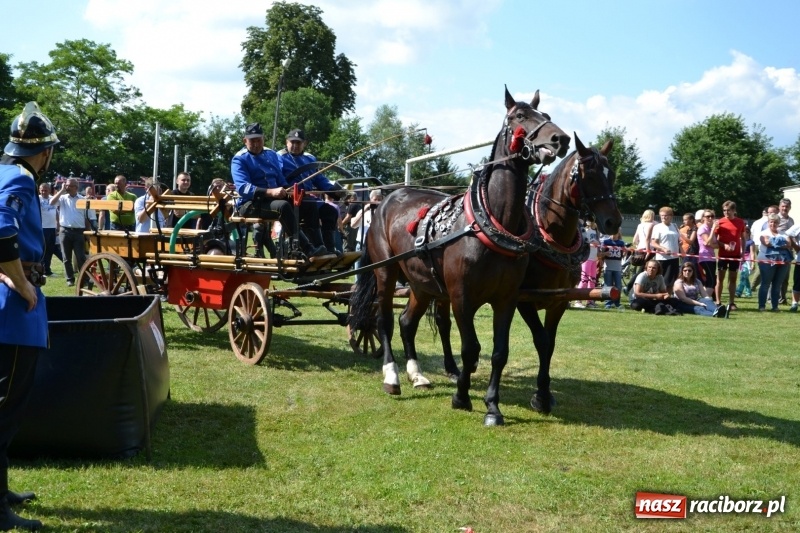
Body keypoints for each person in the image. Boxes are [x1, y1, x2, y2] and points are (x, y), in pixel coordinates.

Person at [0, 101, 58, 531]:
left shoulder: (5, 173)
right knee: (3, 410)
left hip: (12, 307)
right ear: (44, 153)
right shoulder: (19, 179)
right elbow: (1, 230)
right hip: (13, 313)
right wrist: (19, 282)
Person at [231, 123, 326, 259]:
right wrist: (270, 192)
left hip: (273, 200)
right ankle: (307, 249)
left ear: (263, 139)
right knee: (282, 207)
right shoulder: (239, 159)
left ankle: (320, 247)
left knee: (309, 203)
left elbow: (281, 179)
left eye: (259, 140)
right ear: (245, 141)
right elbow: (243, 187)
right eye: (252, 141)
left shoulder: (271, 154)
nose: (256, 144)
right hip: (250, 204)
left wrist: (290, 190)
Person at [279, 129, 343, 255]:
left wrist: (332, 190)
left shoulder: (309, 159)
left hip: (308, 200)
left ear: (304, 143)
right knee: (311, 205)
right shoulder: (279, 157)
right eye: (293, 142)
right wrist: (286, 188)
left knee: (331, 211)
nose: (295, 145)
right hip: (291, 200)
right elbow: (277, 177)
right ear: (287, 142)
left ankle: (329, 249)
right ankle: (317, 247)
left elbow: (319, 178)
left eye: (299, 143)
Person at [50, 177, 89, 287]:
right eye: (66, 185)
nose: (67, 187)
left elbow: (87, 219)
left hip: (79, 232)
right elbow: (51, 203)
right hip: (65, 231)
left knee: (81, 257)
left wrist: (88, 234)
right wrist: (61, 190)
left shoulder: (82, 199)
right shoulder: (62, 198)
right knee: (66, 258)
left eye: (69, 185)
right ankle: (70, 279)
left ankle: (84, 279)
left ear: (76, 187)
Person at [756, 213, 793, 312]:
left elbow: (789, 244)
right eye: (771, 222)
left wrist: (775, 242)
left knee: (777, 285)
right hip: (766, 261)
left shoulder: (783, 233)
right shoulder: (763, 233)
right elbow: (767, 243)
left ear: (779, 223)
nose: (773, 224)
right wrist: (781, 243)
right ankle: (762, 306)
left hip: (783, 262)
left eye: (776, 222)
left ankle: (775, 306)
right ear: (768, 222)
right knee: (765, 284)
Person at [713, 200, 746, 310]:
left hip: (735, 255)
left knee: (733, 278)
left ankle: (731, 302)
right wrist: (724, 245)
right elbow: (714, 240)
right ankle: (718, 302)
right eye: (724, 210)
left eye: (728, 210)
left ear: (734, 210)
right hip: (723, 254)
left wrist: (743, 252)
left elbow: (743, 238)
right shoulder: (720, 222)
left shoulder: (740, 222)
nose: (726, 212)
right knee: (720, 278)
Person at [624, 209, 655, 295]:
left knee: (641, 270)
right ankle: (629, 287)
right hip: (649, 249)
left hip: (640, 249)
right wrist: (648, 250)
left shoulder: (640, 225)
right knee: (643, 271)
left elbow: (634, 240)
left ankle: (632, 287)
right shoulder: (652, 225)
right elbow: (648, 239)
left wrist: (638, 246)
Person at [650, 206, 681, 293]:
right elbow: (653, 243)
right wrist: (663, 249)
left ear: (671, 216)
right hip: (662, 258)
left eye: (666, 215)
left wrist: (680, 247)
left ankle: (668, 300)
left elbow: (678, 241)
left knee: (671, 282)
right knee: (662, 282)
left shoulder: (674, 226)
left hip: (674, 258)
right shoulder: (657, 227)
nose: (664, 217)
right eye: (662, 215)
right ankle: (658, 300)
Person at [38, 183, 62, 276]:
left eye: (46, 190)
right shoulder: (37, 199)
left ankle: (47, 270)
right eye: (42, 190)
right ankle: (42, 271)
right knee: (43, 250)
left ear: (49, 190)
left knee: (50, 250)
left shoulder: (53, 198)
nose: (44, 192)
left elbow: (56, 212)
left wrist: (58, 225)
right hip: (42, 228)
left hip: (52, 227)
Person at [574, 220, 600, 308]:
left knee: (592, 280)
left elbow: (597, 242)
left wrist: (597, 244)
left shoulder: (595, 231)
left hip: (594, 258)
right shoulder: (584, 231)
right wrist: (592, 243)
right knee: (584, 279)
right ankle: (578, 300)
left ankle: (590, 301)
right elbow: (583, 243)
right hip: (587, 258)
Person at [599, 231, 625, 309]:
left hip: (617, 267)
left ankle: (617, 302)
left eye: (615, 233)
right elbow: (601, 254)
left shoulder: (621, 243)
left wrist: (625, 252)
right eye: (612, 233)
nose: (613, 235)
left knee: (618, 285)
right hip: (608, 267)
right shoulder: (606, 242)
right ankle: (608, 302)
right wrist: (605, 254)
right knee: (608, 285)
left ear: (618, 233)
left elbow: (623, 254)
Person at [696, 208, 719, 298]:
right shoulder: (703, 228)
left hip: (712, 257)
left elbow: (716, 245)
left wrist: (712, 244)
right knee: (712, 280)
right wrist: (713, 229)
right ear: (703, 218)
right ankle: (705, 301)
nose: (710, 218)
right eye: (707, 216)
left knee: (710, 280)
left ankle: (704, 299)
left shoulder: (709, 229)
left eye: (712, 216)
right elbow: (708, 242)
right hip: (705, 257)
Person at [777, 198, 794, 304]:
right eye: (783, 206)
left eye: (786, 207)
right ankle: (773, 298)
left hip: (788, 252)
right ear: (779, 207)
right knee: (775, 277)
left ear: (790, 208)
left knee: (785, 277)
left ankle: (782, 298)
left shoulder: (791, 220)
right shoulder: (775, 218)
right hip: (777, 251)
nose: (784, 208)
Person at [735, 225, 754, 298]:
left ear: (748, 233)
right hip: (740, 260)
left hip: (747, 260)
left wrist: (752, 263)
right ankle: (748, 293)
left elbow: (752, 253)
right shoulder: (739, 240)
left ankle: (738, 292)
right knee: (745, 277)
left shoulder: (751, 242)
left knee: (743, 276)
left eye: (744, 232)